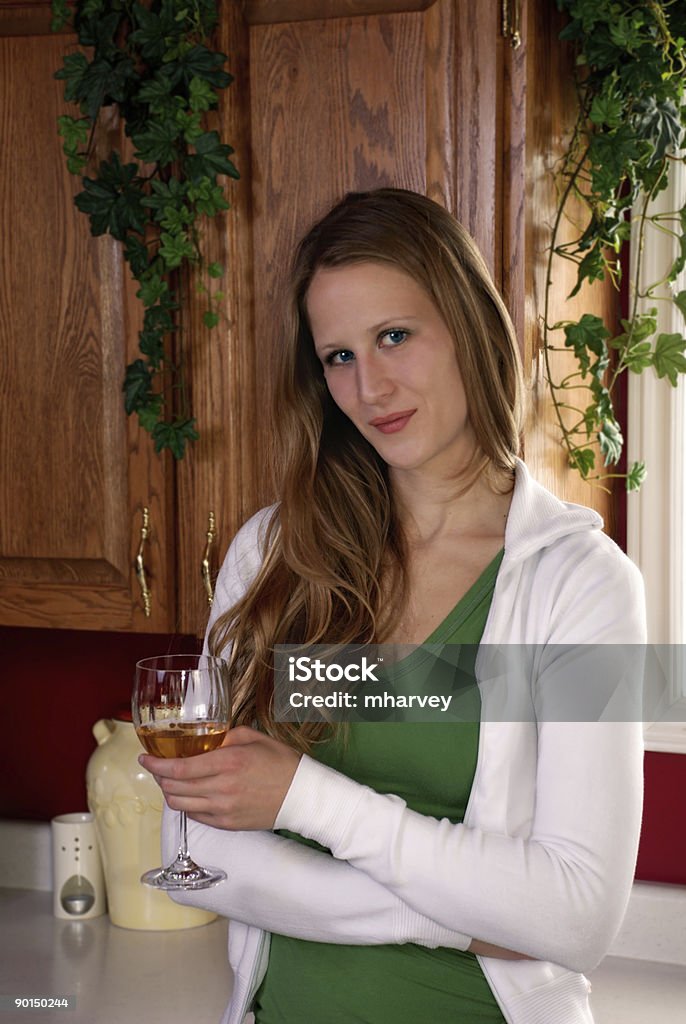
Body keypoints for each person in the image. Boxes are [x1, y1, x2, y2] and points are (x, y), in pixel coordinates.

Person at [140, 188, 646, 1024]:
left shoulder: (583, 588)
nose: (370, 386)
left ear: (470, 327)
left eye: (394, 336)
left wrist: (302, 798)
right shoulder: (274, 556)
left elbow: (577, 918)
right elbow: (194, 851)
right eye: (337, 356)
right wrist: (456, 916)